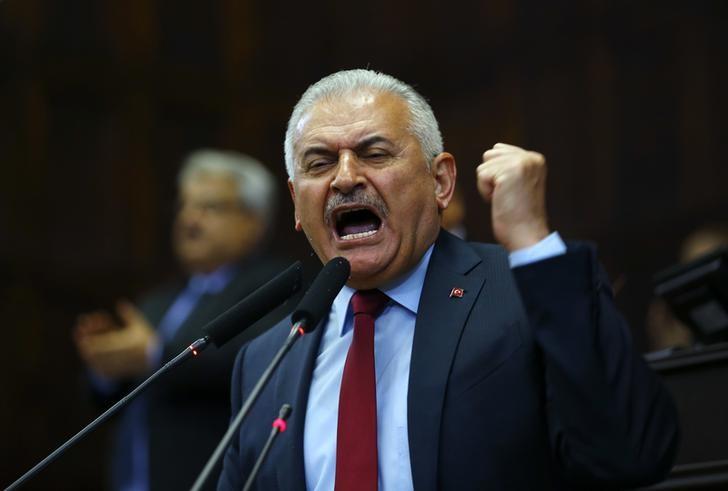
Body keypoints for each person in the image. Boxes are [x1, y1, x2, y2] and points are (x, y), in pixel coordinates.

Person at [218, 70, 679, 490]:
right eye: (319, 163)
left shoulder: (524, 291)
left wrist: (532, 244)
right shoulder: (265, 362)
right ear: (298, 204)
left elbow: (631, 454)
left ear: (440, 181)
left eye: (374, 154)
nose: (345, 178)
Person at [73, 149, 287, 491]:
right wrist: (105, 364)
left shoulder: (272, 289)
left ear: (254, 222)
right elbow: (108, 398)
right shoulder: (159, 300)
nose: (190, 219)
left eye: (210, 207)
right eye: (185, 206)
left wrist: (154, 354)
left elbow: (253, 362)